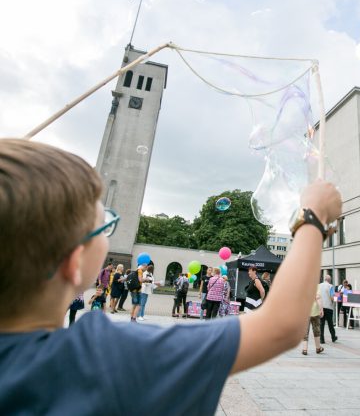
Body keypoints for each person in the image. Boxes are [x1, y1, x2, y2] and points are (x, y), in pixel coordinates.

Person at [0, 138, 341, 414]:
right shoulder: (102, 358)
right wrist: (313, 219)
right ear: (74, 263)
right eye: (104, 226)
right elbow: (281, 324)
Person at [301, 285, 324, 355]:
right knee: (316, 330)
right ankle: (318, 348)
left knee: (305, 331)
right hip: (315, 312)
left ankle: (305, 349)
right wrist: (321, 309)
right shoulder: (316, 286)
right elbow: (318, 298)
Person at [318, 274, 337, 344]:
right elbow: (332, 297)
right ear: (329, 280)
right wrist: (333, 301)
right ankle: (333, 337)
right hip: (328, 307)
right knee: (330, 323)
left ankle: (321, 339)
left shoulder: (319, 286)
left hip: (321, 307)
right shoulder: (330, 286)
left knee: (321, 323)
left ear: (324, 279)